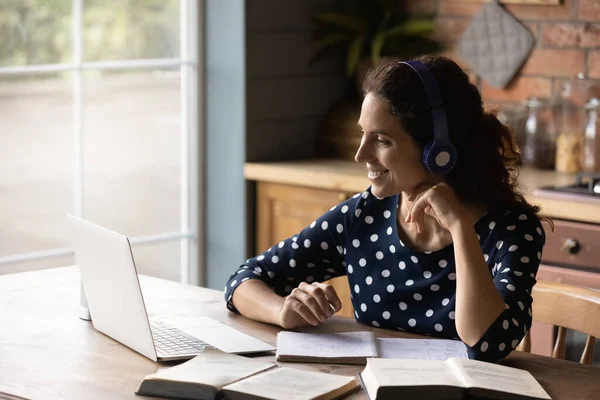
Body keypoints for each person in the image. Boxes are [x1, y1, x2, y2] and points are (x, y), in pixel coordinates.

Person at [223, 55, 546, 363]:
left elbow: (487, 343)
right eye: (363, 134)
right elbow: (244, 280)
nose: (361, 154)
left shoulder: (513, 229)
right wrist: (283, 311)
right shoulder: (364, 214)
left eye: (382, 140)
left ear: (439, 150)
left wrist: (461, 229)